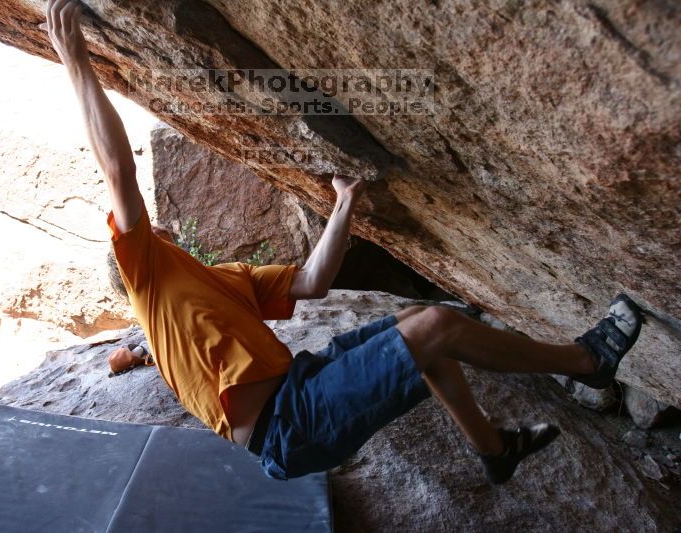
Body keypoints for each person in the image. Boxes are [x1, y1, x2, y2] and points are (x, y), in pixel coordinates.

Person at [43, 0, 643, 483]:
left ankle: (494, 450)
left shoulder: (218, 279)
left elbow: (313, 282)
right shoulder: (148, 280)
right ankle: (585, 362)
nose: (145, 226)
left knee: (420, 326)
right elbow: (119, 172)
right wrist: (74, 58)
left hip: (302, 387)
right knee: (434, 326)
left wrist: (345, 204)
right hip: (290, 426)